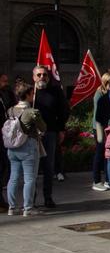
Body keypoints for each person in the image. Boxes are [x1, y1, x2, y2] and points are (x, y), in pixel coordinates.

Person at [6, 82, 47, 216]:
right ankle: (28, 208)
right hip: (28, 146)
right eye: (32, 93)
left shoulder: (10, 110)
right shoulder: (32, 111)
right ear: (28, 94)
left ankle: (12, 207)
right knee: (30, 179)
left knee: (13, 178)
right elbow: (43, 128)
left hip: (12, 147)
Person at [32, 65, 68, 208]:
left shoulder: (55, 91)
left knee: (48, 166)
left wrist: (61, 129)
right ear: (34, 77)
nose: (42, 77)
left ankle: (48, 197)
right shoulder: (30, 93)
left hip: (50, 133)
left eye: (45, 75)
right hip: (32, 136)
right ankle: (31, 199)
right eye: (39, 75)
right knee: (32, 168)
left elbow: (64, 111)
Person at [91, 73, 110, 192]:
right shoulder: (99, 94)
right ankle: (96, 181)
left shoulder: (108, 94)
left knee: (108, 153)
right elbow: (98, 114)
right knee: (100, 153)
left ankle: (107, 179)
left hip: (107, 126)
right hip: (99, 127)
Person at [0, 73, 15, 208]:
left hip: (4, 134)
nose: (6, 83)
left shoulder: (6, 93)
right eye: (3, 81)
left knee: (4, 164)